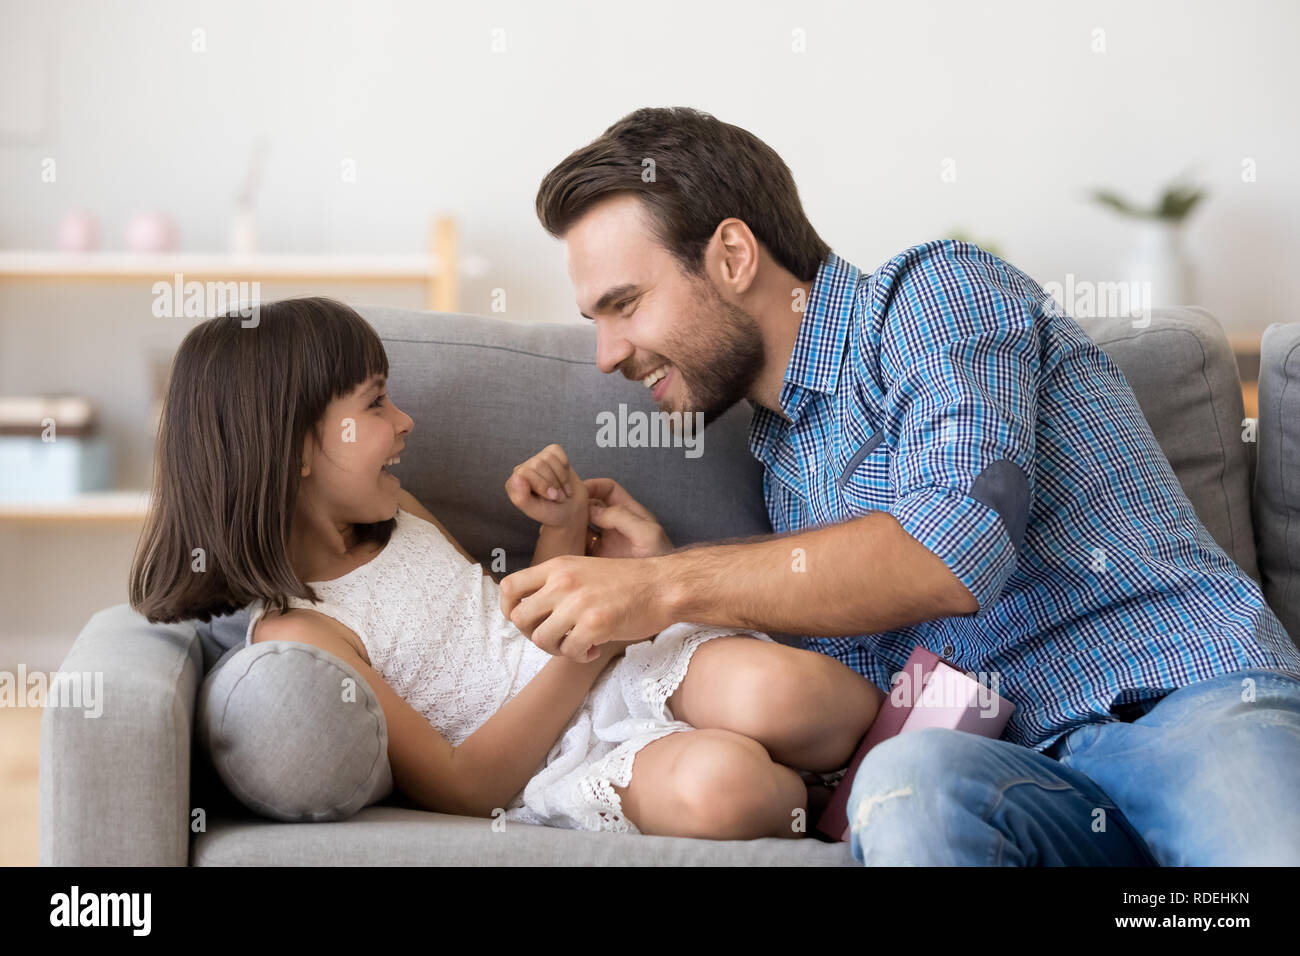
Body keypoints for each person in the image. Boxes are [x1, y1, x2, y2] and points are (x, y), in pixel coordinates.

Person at [509, 105, 1300, 864]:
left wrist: (664, 585)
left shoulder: (932, 297)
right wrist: (664, 585)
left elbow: (951, 550)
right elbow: (842, 710)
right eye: (596, 322)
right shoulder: (782, 461)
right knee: (901, 783)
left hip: (1179, 707)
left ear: (733, 256)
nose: (608, 354)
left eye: (626, 305)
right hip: (1015, 776)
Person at [127, 296, 883, 840]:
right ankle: (837, 810)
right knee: (727, 789)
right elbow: (465, 787)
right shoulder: (305, 634)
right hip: (542, 758)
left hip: (605, 668)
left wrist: (561, 529)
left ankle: (878, 758)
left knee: (797, 698)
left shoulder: (400, 513)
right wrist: (598, 640)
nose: (405, 421)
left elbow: (507, 628)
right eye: (378, 403)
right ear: (292, 450)